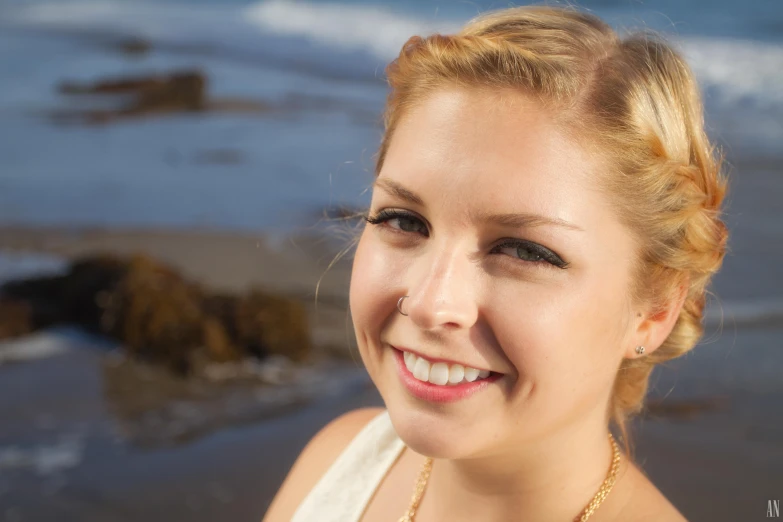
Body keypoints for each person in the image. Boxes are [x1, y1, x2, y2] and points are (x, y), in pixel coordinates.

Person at [263, 5, 728, 522]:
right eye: (404, 221)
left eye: (524, 251)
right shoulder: (340, 460)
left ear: (655, 309)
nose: (429, 305)